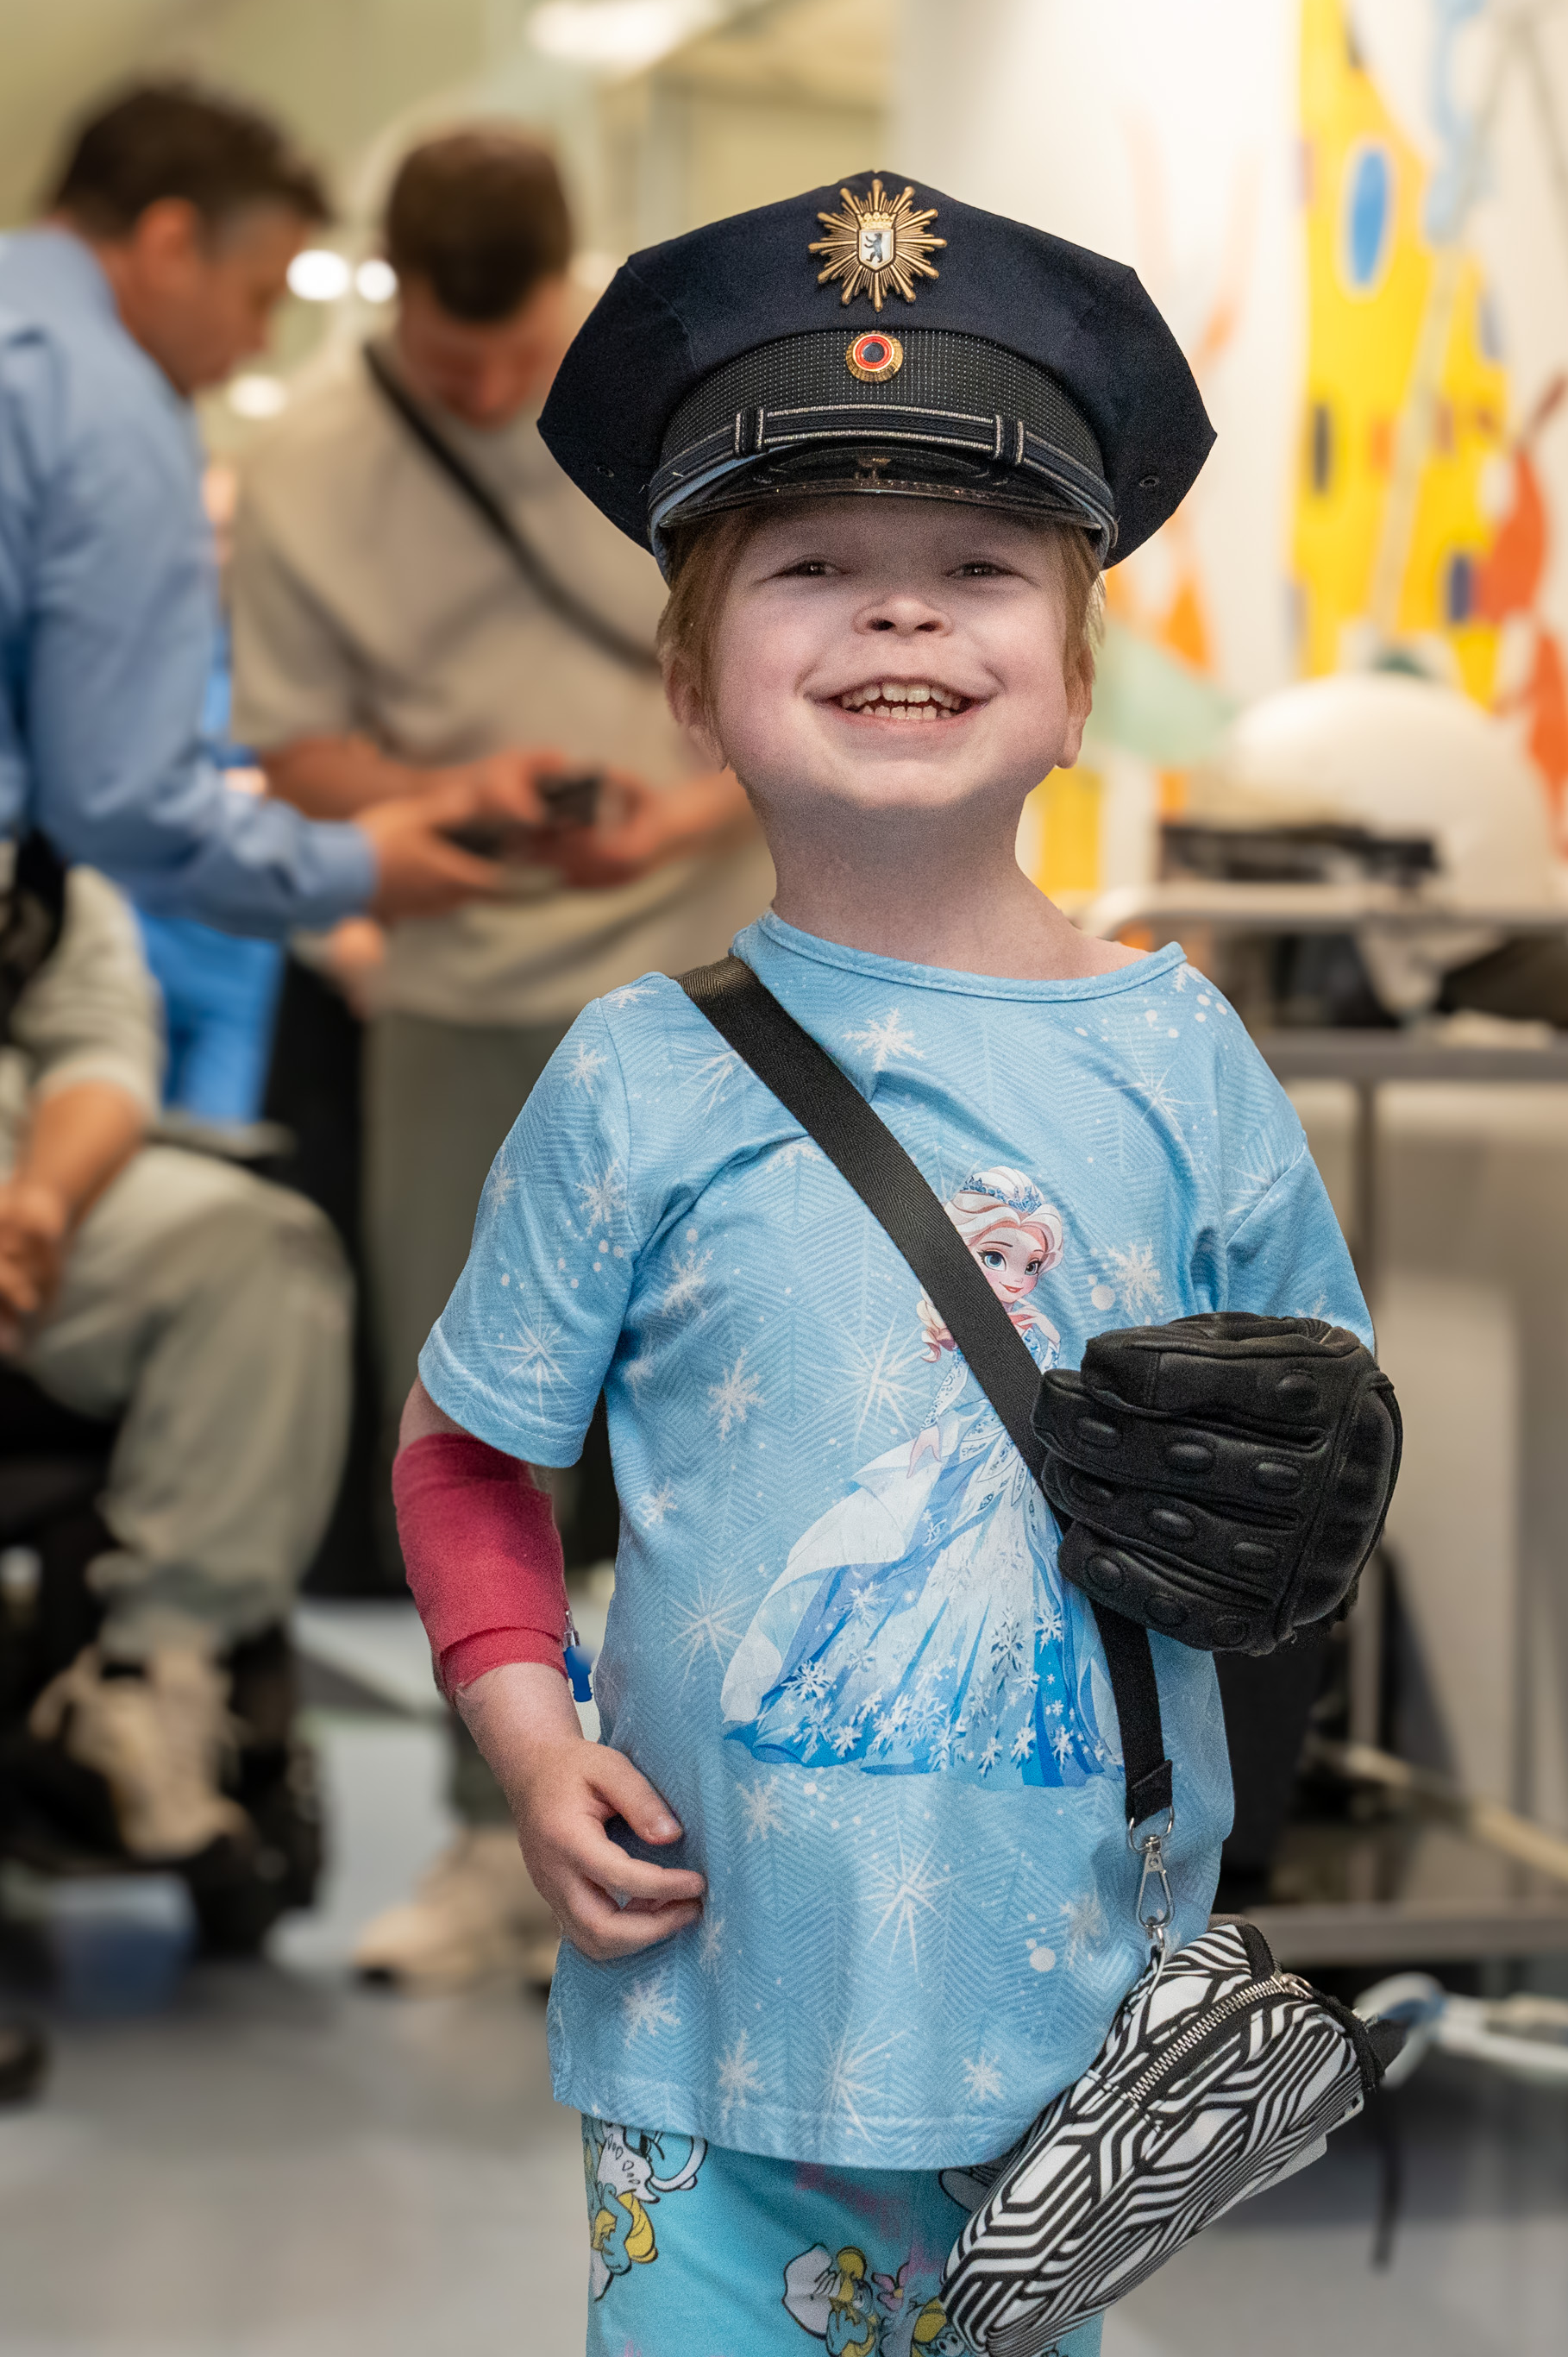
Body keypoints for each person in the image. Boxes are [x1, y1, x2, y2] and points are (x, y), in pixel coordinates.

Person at [386, 175, 1371, 2352]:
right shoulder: (630, 1079)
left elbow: (1316, 1455)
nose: (899, 621)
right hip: (708, 2009)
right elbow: (468, 1451)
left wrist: (1303, 1502)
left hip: (1074, 2037)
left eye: (979, 571)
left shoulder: (1183, 1059)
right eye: (812, 568)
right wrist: (531, 1747)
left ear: (1072, 670)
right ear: (689, 667)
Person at [228, 128, 772, 1984]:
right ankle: (491, 1842)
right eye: (451, 365)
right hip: (462, 988)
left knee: (738, 1409)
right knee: (476, 1428)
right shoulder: (306, 462)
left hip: (723, 970)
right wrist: (448, 797)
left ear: (574, 281)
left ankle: (739, 1836)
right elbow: (294, 751)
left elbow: (803, 656)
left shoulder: (681, 391)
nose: (482, 395)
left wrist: (683, 820)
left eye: (514, 352)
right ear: (389, 291)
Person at [0, 79, 506, 935]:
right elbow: (121, 798)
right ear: (168, 243)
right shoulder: (108, 406)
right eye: (259, 297)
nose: (262, 344)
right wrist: (355, 865)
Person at [3, 844, 348, 1861]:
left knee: (259, 1242)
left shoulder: (35, 845)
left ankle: (150, 1678)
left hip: (32, 1177)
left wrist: (39, 1211)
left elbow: (99, 1049)